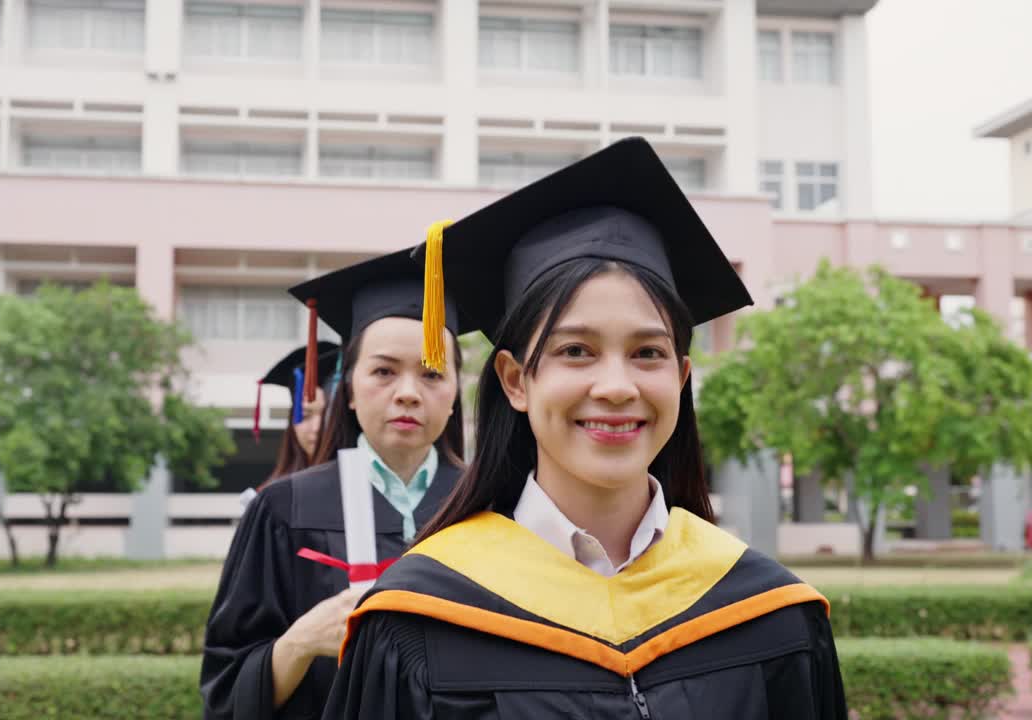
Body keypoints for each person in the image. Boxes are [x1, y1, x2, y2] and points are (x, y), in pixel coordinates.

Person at [324, 138, 847, 719]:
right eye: (576, 350)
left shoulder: (768, 613)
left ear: (682, 377)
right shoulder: (417, 618)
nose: (618, 386)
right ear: (516, 380)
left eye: (648, 353)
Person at [200, 249, 468, 720]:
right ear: (347, 389)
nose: (408, 392)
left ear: (454, 395)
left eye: (431, 374)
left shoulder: (492, 507)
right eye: (384, 371)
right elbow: (226, 691)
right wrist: (302, 642)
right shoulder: (283, 509)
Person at [255, 342, 341, 488]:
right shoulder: (273, 495)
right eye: (306, 415)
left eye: (328, 415)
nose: (316, 427)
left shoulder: (364, 484)